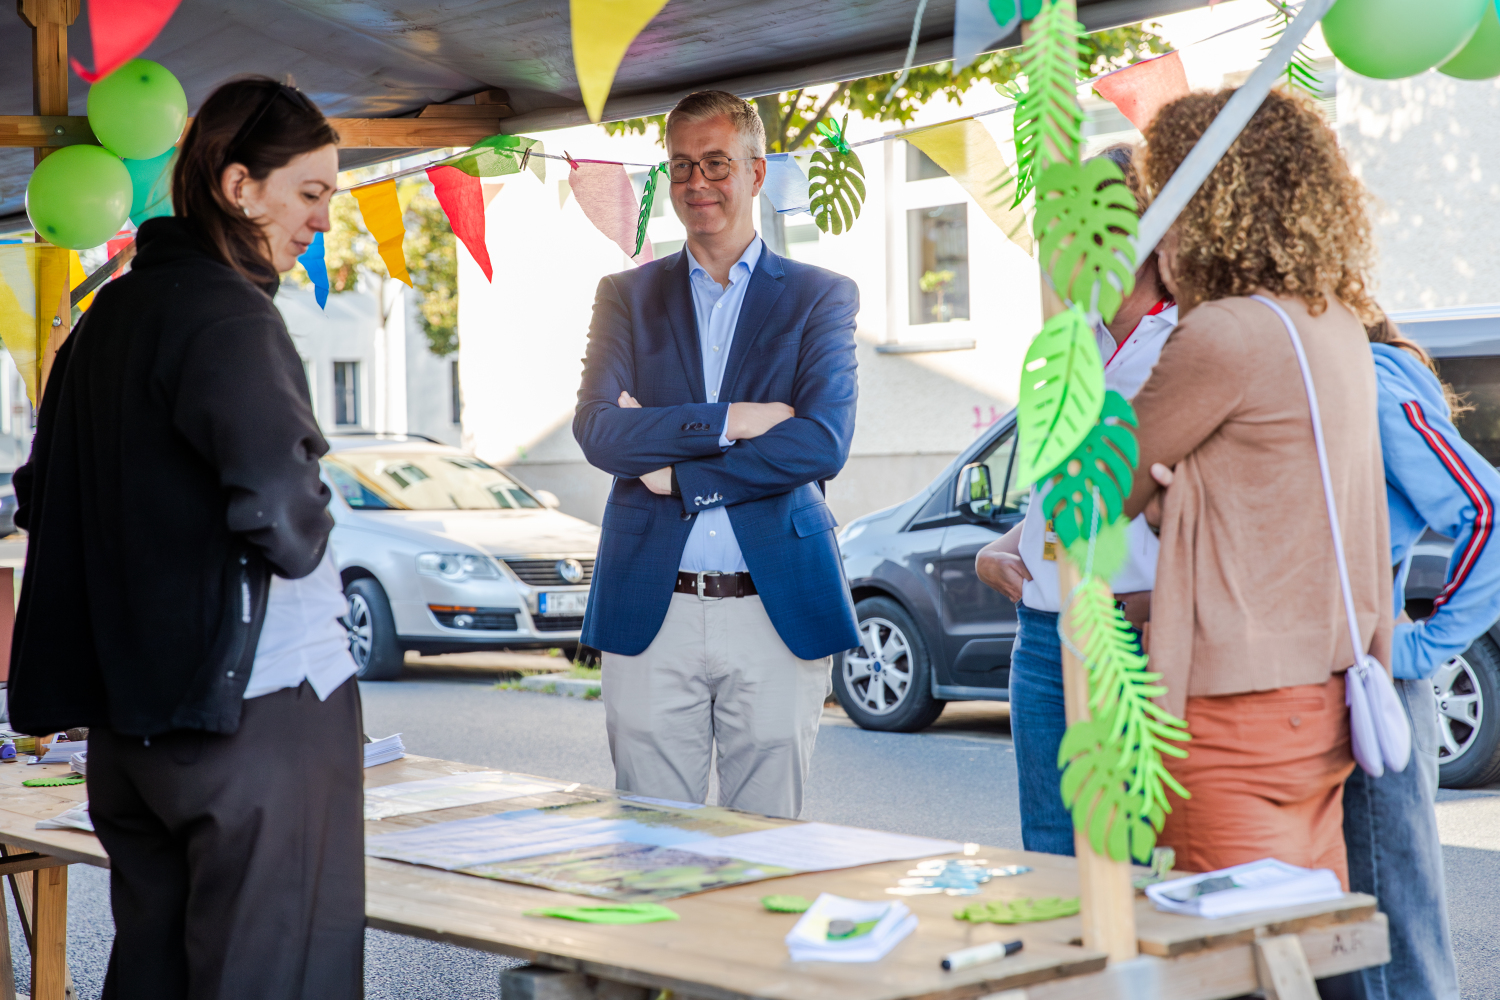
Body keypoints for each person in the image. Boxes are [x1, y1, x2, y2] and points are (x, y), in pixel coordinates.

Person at [10, 78, 362, 999]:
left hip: (133, 733)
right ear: (240, 186)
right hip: (254, 704)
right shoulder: (231, 314)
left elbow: (42, 496)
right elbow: (286, 521)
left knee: (156, 974)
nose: (322, 220)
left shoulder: (105, 317)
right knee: (276, 976)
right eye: (311, 192)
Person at [1123, 87, 1391, 885]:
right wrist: (1190, 498)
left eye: (1163, 192)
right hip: (1321, 697)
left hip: (1233, 712)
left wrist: (1173, 499)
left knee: (1227, 956)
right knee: (1295, 951)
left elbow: (1092, 494)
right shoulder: (1330, 321)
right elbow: (1278, 494)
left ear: (1201, 201)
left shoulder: (1225, 334)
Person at [573, 90, 859, 820]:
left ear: (757, 172)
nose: (697, 183)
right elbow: (600, 431)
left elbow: (821, 441)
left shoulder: (819, 297)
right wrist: (739, 418)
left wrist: (680, 473)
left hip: (774, 607)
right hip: (652, 607)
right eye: (680, 167)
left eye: (715, 164)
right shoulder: (625, 296)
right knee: (650, 842)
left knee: (765, 845)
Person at [974, 143, 1176, 855]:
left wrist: (1158, 599)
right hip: (1041, 636)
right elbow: (1055, 489)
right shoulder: (1068, 340)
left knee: (1142, 859)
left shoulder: (1185, 341)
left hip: (1136, 638)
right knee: (1051, 852)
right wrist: (997, 551)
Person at [1333, 312, 1486, 1000]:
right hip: (1334, 686)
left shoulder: (1368, 376)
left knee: (1396, 947)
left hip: (1371, 688)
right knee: (1351, 943)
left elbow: (1487, 511)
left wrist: (1419, 647)